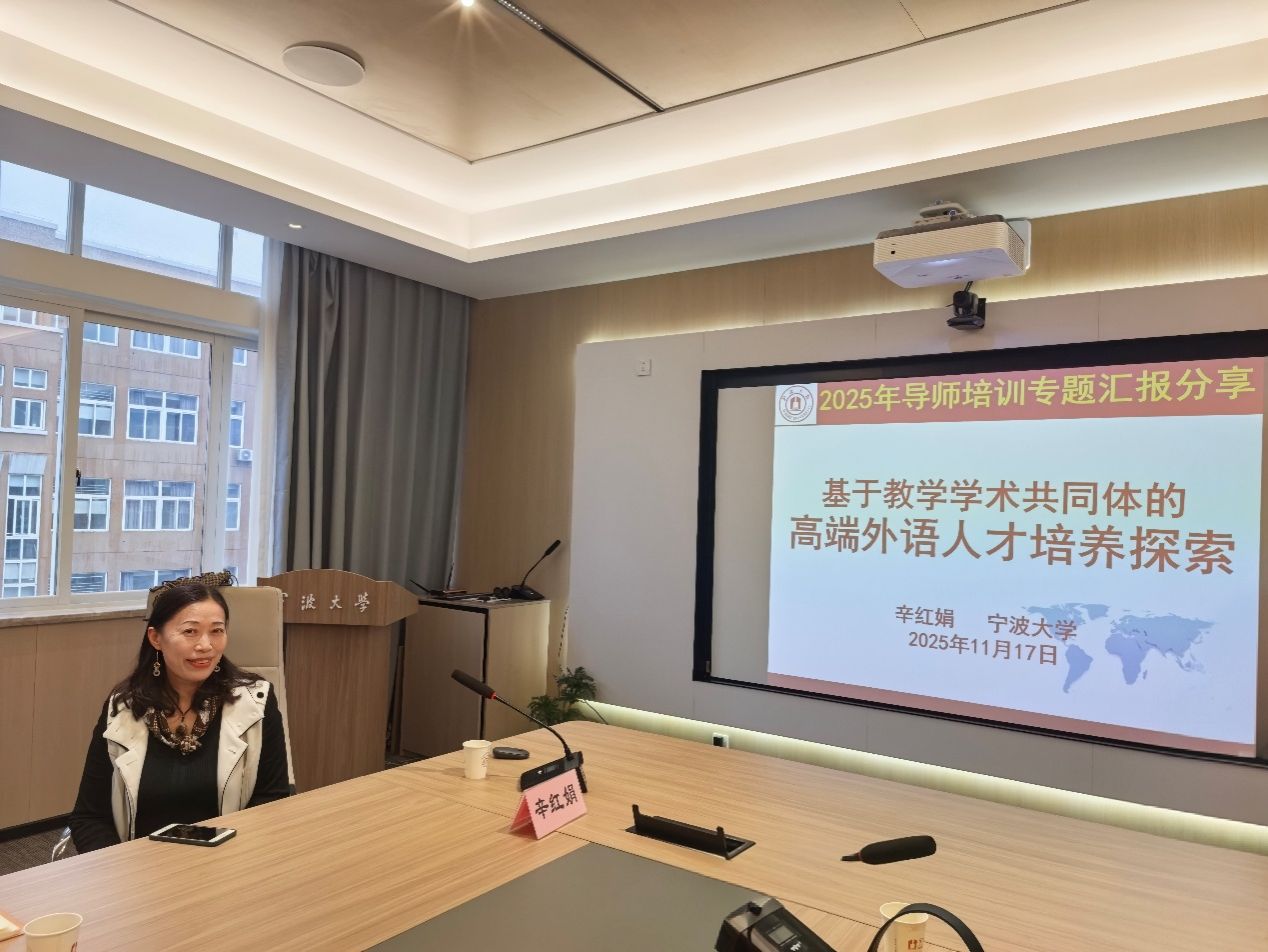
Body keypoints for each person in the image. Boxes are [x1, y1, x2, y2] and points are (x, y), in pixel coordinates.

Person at [69, 582, 291, 852]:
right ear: (156, 638)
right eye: (190, 631)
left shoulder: (255, 702)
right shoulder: (123, 707)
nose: (205, 645)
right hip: (137, 867)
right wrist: (120, 868)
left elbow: (272, 803)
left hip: (229, 862)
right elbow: (90, 817)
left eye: (217, 631)